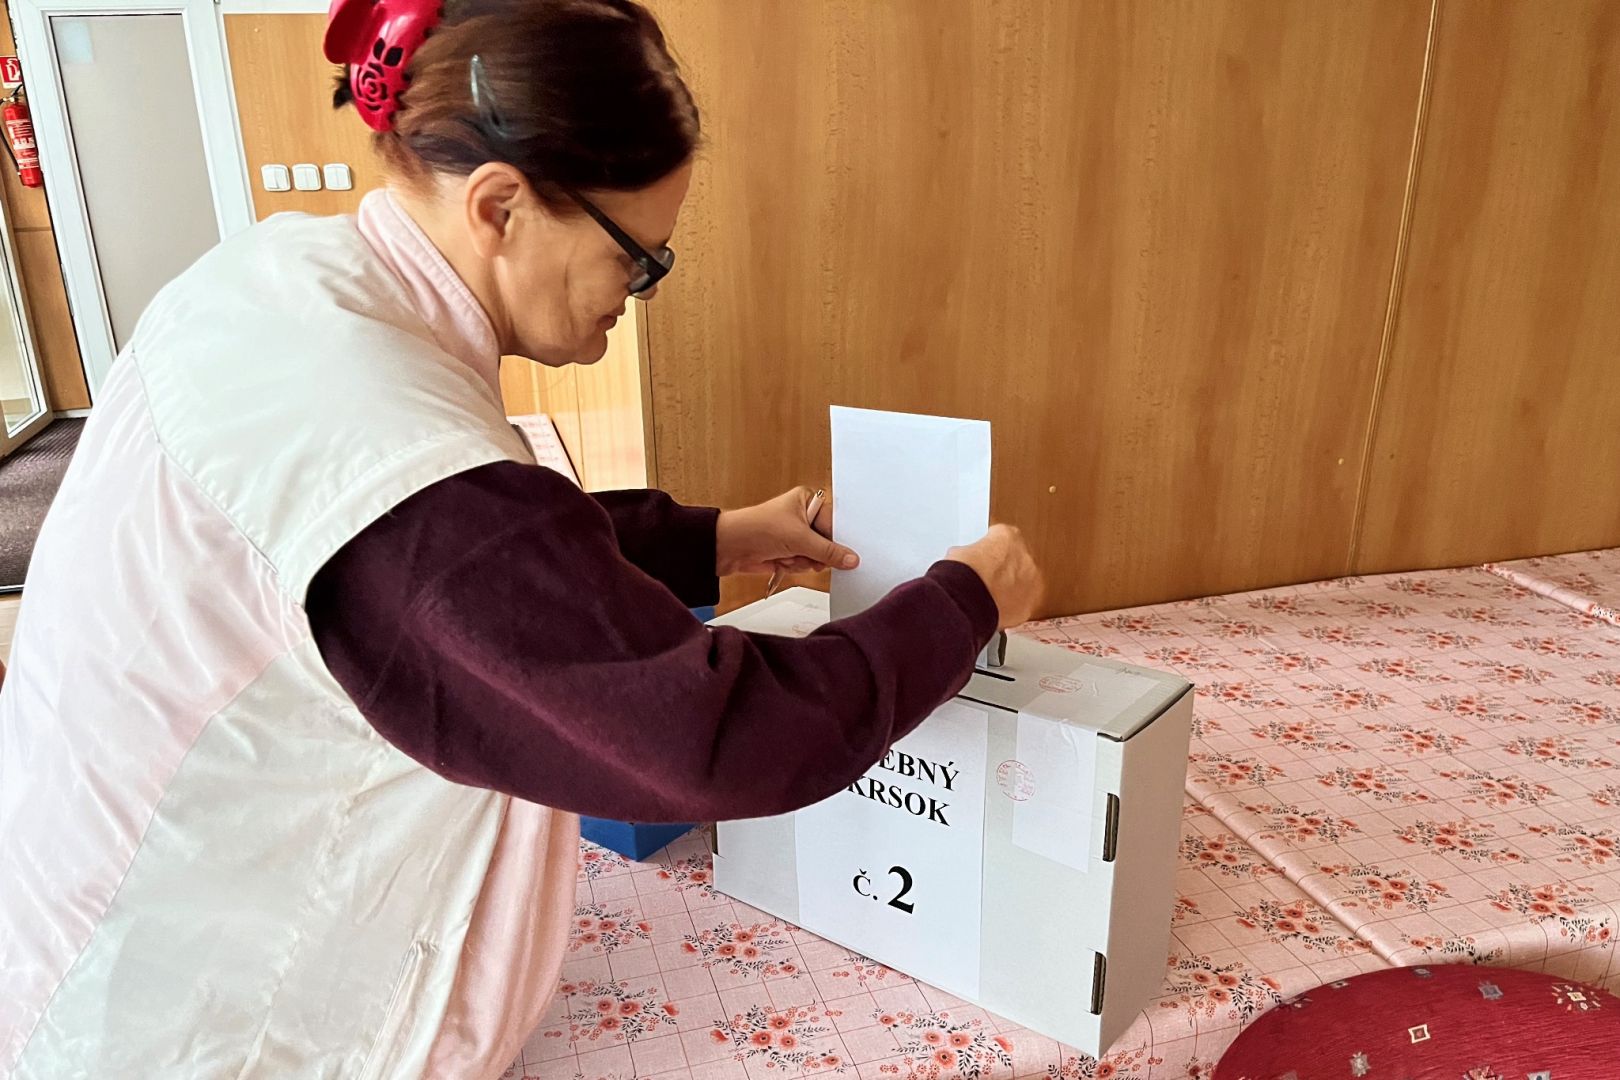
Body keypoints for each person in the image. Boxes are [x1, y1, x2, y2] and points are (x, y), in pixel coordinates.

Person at [0, 0, 1043, 1075]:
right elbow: (725, 741)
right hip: (197, 1023)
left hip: (90, 897)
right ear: (501, 205)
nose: (636, 294)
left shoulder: (281, 278)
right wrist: (962, 601)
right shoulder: (394, 455)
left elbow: (501, 565)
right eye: (638, 259)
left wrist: (719, 538)